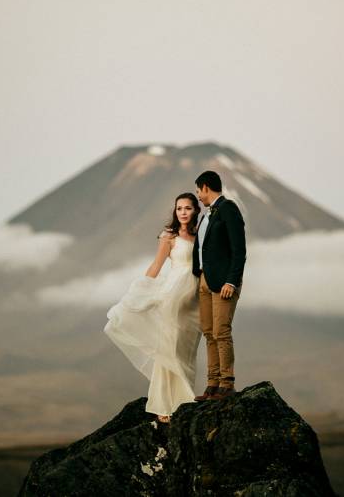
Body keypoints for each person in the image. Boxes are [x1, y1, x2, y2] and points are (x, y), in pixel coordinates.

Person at [104, 193, 202, 424]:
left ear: (195, 210)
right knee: (169, 349)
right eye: (179, 208)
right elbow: (156, 265)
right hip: (173, 297)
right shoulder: (169, 237)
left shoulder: (200, 235)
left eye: (188, 208)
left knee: (187, 351)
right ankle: (164, 405)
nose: (183, 212)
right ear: (175, 211)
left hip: (194, 301)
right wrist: (139, 292)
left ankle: (183, 400)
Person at [192, 170, 246, 401]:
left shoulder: (228, 209)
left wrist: (232, 281)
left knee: (221, 331)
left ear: (206, 187)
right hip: (205, 280)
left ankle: (227, 383)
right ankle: (212, 384)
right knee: (208, 332)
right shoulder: (206, 215)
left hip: (224, 282)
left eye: (198, 191)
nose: (198, 196)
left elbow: (239, 250)